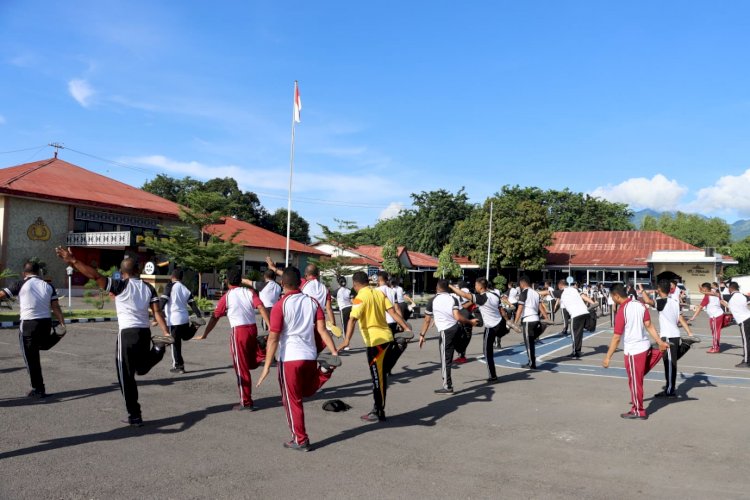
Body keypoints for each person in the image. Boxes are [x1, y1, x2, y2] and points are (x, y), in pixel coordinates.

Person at [55, 247, 173, 427]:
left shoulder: (120, 285)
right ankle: (157, 349)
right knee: (140, 369)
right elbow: (157, 312)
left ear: (122, 273)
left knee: (125, 377)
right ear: (138, 271)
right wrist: (165, 332)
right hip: (144, 333)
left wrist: (73, 261)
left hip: (127, 334)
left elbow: (95, 276)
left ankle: (135, 415)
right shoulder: (148, 287)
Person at [256, 266, 340, 451]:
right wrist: (334, 351)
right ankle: (325, 370)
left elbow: (273, 337)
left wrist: (266, 365)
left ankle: (300, 439)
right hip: (310, 356)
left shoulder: (281, 305)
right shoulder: (312, 302)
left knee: (292, 399)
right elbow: (322, 330)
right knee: (306, 390)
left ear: (282, 284)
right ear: (300, 282)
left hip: (290, 358)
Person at [338, 271, 412, 423]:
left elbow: (352, 320)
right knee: (382, 374)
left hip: (375, 343)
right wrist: (405, 327)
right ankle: (398, 346)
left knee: (378, 379)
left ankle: (378, 411)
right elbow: (392, 312)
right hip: (387, 338)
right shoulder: (378, 294)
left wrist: (346, 341)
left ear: (355, 284)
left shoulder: (360, 298)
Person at [195, 267, 271, 410]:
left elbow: (215, 317)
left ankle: (246, 402)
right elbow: (261, 307)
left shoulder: (227, 297)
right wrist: (270, 326)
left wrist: (205, 334)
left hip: (239, 331)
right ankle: (262, 349)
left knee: (241, 368)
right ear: (240, 280)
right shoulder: (249, 292)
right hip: (252, 329)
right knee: (249, 363)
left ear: (227, 281)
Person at [0, 261, 66, 398]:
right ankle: (56, 336)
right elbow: (55, 306)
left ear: (24, 273)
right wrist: (61, 321)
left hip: (29, 325)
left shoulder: (20, 284)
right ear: (39, 273)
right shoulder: (48, 285)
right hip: (45, 324)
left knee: (31, 358)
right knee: (40, 346)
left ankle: (38, 389)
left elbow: (2, 294)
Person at [602, 284, 669, 420]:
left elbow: (616, 337)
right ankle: (661, 350)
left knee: (635, 381)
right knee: (637, 377)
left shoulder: (622, 311)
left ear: (616, 296)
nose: (612, 299)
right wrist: (659, 341)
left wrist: (608, 356)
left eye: (611, 297)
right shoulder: (640, 304)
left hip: (633, 351)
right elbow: (649, 324)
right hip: (645, 347)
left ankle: (638, 410)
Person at [418, 280, 477, 395]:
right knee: (450, 355)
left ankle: (447, 386)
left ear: (437, 288)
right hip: (456, 329)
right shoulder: (453, 298)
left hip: (446, 332)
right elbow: (457, 316)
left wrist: (422, 335)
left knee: (445, 360)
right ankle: (461, 354)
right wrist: (470, 322)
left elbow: (426, 320)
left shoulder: (433, 300)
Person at [642, 280, 698, 398]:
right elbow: (681, 319)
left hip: (668, 336)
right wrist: (689, 332)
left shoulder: (662, 301)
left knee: (669, 364)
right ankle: (687, 344)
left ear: (659, 290)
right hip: (675, 334)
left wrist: (642, 290)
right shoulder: (674, 302)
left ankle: (670, 390)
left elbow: (647, 301)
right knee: (671, 360)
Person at [449, 278, 508, 383]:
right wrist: (508, 322)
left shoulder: (482, 298)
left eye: (476, 285)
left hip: (491, 327)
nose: (475, 287)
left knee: (487, 352)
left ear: (481, 287)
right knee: (493, 342)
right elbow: (502, 311)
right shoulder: (494, 295)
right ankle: (505, 330)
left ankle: (493, 376)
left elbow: (464, 295)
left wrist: (451, 287)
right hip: (500, 323)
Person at [265, 257, 337, 328]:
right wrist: (333, 324)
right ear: (318, 275)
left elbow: (289, 276)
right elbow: (329, 308)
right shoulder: (325, 289)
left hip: (305, 323)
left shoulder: (304, 283)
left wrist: (273, 268)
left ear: (306, 275)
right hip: (319, 322)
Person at [159, 268, 203, 374]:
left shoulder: (170, 286)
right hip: (184, 318)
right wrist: (198, 315)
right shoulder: (185, 288)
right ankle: (194, 326)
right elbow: (192, 304)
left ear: (172, 277)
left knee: (174, 343)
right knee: (185, 336)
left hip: (173, 320)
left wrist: (157, 313)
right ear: (181, 278)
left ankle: (178, 366)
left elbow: (163, 301)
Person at [551, 280, 596, 359]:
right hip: (584, 312)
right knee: (580, 332)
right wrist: (593, 303)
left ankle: (576, 352)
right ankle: (591, 322)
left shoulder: (562, 292)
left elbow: (547, 293)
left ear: (560, 286)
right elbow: (584, 297)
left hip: (575, 315)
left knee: (575, 334)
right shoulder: (574, 289)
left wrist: (537, 293)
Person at [513, 276, 548, 370]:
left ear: (522, 283)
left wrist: (515, 322)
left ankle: (532, 363)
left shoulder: (524, 293)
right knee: (531, 342)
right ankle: (532, 361)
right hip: (536, 319)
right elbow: (541, 306)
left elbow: (520, 308)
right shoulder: (535, 293)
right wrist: (546, 318)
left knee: (528, 343)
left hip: (528, 320)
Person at [721, 282, 750, 368]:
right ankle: (748, 359)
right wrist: (726, 305)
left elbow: (715, 294)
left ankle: (746, 361)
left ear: (730, 288)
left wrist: (704, 292)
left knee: (746, 342)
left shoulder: (730, 296)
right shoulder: (743, 296)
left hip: (744, 321)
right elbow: (735, 307)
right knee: (748, 341)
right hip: (748, 318)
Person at [689, 282, 724, 353]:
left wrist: (693, 317)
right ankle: (715, 347)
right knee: (715, 332)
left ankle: (715, 348)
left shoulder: (707, 296)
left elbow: (700, 307)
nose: (702, 290)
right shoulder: (714, 292)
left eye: (702, 289)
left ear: (705, 289)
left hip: (715, 316)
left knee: (715, 332)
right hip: (718, 314)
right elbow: (721, 301)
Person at [452, 280, 475, 364]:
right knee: (464, 336)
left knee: (462, 336)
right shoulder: (468, 292)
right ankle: (461, 355)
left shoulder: (464, 291)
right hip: (466, 315)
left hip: (464, 315)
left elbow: (465, 302)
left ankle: (462, 355)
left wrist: (464, 305)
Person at [336, 276, 353, 350]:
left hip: (343, 309)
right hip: (351, 308)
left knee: (344, 327)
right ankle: (347, 343)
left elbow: (331, 298)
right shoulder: (349, 290)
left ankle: (346, 345)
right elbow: (353, 300)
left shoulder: (337, 291)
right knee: (350, 326)